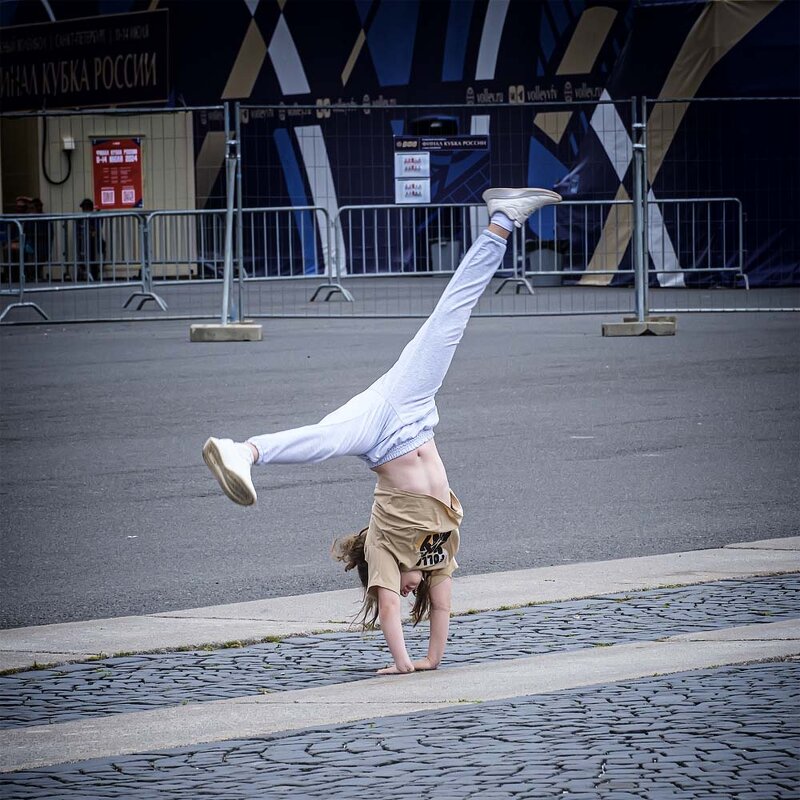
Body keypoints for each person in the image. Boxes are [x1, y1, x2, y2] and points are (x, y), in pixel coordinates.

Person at [203, 187, 562, 675]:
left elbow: (389, 610)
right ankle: (503, 221)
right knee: (452, 322)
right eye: (413, 588)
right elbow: (442, 608)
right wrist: (432, 659)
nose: (410, 589)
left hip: (385, 420)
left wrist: (402, 664)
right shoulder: (437, 558)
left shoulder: (382, 549)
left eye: (402, 586)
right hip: (414, 416)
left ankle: (243, 450)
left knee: (333, 432)